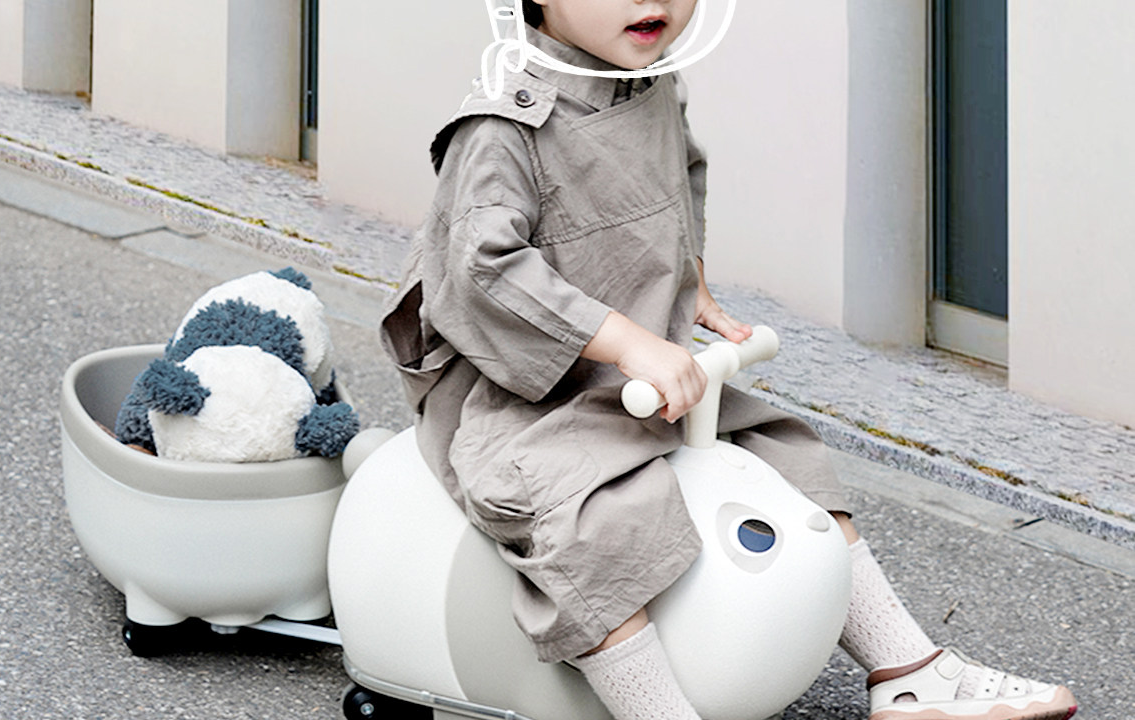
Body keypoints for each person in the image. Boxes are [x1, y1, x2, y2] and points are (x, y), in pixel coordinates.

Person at [380, 1, 1079, 719]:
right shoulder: (503, 126)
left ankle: (908, 670)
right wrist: (628, 341)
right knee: (588, 520)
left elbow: (680, 184)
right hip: (518, 395)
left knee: (783, 455)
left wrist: (690, 283)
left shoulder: (652, 85)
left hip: (632, 370)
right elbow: (482, 270)